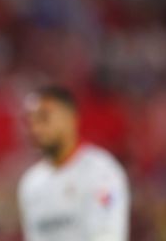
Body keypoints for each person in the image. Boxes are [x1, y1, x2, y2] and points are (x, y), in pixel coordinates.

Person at [18, 86, 130, 241]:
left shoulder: (101, 173)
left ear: (71, 119)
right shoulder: (31, 183)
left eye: (44, 118)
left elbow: (107, 236)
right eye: (31, 121)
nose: (35, 128)